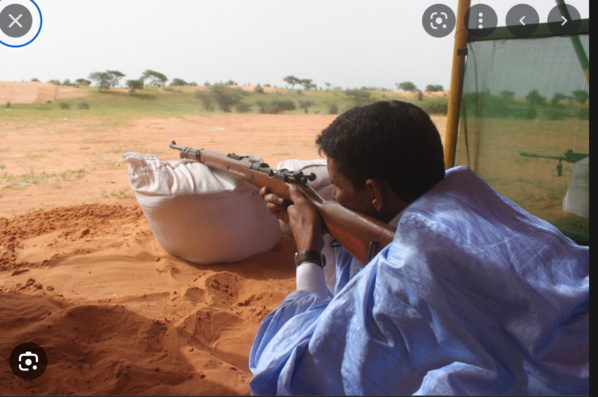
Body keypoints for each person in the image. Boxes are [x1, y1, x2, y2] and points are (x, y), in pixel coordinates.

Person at [250, 100, 589, 395]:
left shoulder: (408, 263)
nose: (333, 198)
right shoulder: (478, 203)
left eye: (337, 187)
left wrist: (308, 250)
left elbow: (297, 368)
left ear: (374, 193)